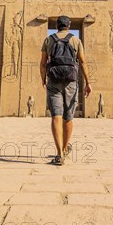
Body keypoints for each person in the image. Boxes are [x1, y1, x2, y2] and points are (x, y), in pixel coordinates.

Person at [40, 16, 92, 166]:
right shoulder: (75, 40)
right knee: (68, 116)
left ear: (57, 26)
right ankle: (64, 147)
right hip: (70, 81)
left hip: (54, 80)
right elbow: (82, 62)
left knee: (56, 114)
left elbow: (43, 64)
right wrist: (88, 82)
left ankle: (59, 154)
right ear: (69, 26)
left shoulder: (49, 40)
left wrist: (43, 79)